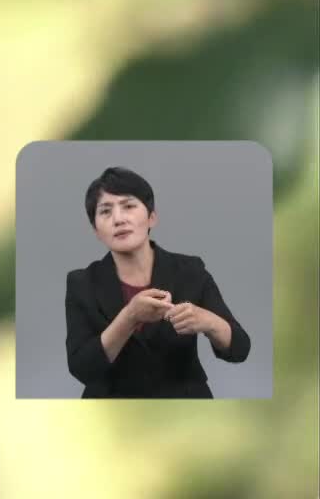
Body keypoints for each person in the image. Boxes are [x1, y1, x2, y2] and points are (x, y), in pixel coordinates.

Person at [63, 166, 251, 397]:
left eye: (129, 206)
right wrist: (130, 316)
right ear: (95, 230)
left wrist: (209, 322)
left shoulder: (190, 271)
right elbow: (82, 367)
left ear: (152, 217)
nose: (118, 219)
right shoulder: (82, 283)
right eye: (105, 211)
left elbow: (240, 349)